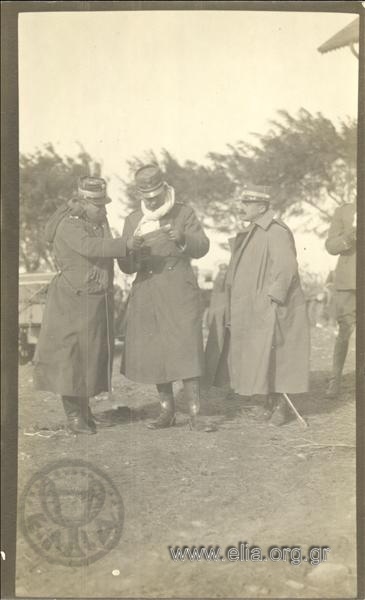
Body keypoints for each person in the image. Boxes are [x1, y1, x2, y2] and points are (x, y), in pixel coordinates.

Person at [207, 184, 310, 426]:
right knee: (262, 357)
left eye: (246, 203)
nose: (241, 207)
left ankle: (281, 408)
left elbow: (286, 269)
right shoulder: (254, 231)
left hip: (273, 308)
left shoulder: (275, 231)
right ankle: (267, 403)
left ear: (261, 206)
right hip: (256, 308)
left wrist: (272, 299)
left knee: (281, 358)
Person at [34, 176, 129, 435]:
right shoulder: (70, 225)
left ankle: (85, 412)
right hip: (71, 302)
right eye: (98, 205)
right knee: (70, 358)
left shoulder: (96, 225)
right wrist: (124, 245)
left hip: (92, 300)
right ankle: (74, 416)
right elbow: (91, 247)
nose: (104, 210)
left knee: (90, 358)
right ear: (83, 204)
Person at [118, 164, 210, 430]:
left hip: (179, 289)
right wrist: (130, 252)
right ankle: (166, 412)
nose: (152, 200)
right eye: (146, 196)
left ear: (165, 188)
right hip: (147, 290)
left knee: (186, 347)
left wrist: (183, 238)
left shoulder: (183, 212)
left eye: (156, 194)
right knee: (157, 350)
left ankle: (196, 414)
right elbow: (125, 267)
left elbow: (202, 246)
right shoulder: (134, 220)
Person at [324, 201, 356, 398]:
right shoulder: (344, 211)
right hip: (348, 283)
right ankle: (335, 380)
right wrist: (350, 236)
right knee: (344, 332)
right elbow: (330, 246)